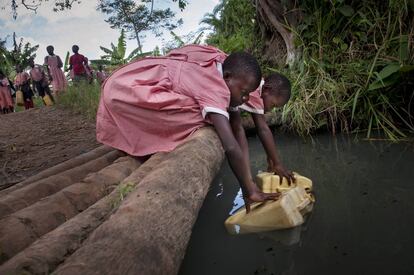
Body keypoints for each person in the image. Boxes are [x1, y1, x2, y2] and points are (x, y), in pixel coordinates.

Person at [96, 44, 279, 212]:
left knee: (212, 115)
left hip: (127, 80)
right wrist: (249, 190)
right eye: (244, 92)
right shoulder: (214, 87)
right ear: (228, 77)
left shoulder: (221, 72)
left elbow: (237, 128)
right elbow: (231, 146)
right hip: (125, 89)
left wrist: (248, 180)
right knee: (199, 117)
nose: (246, 99)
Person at [229, 73, 295, 184]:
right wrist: (277, 164)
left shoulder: (255, 88)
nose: (270, 110)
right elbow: (262, 129)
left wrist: (271, 159)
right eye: (273, 105)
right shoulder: (253, 90)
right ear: (267, 90)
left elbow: (242, 128)